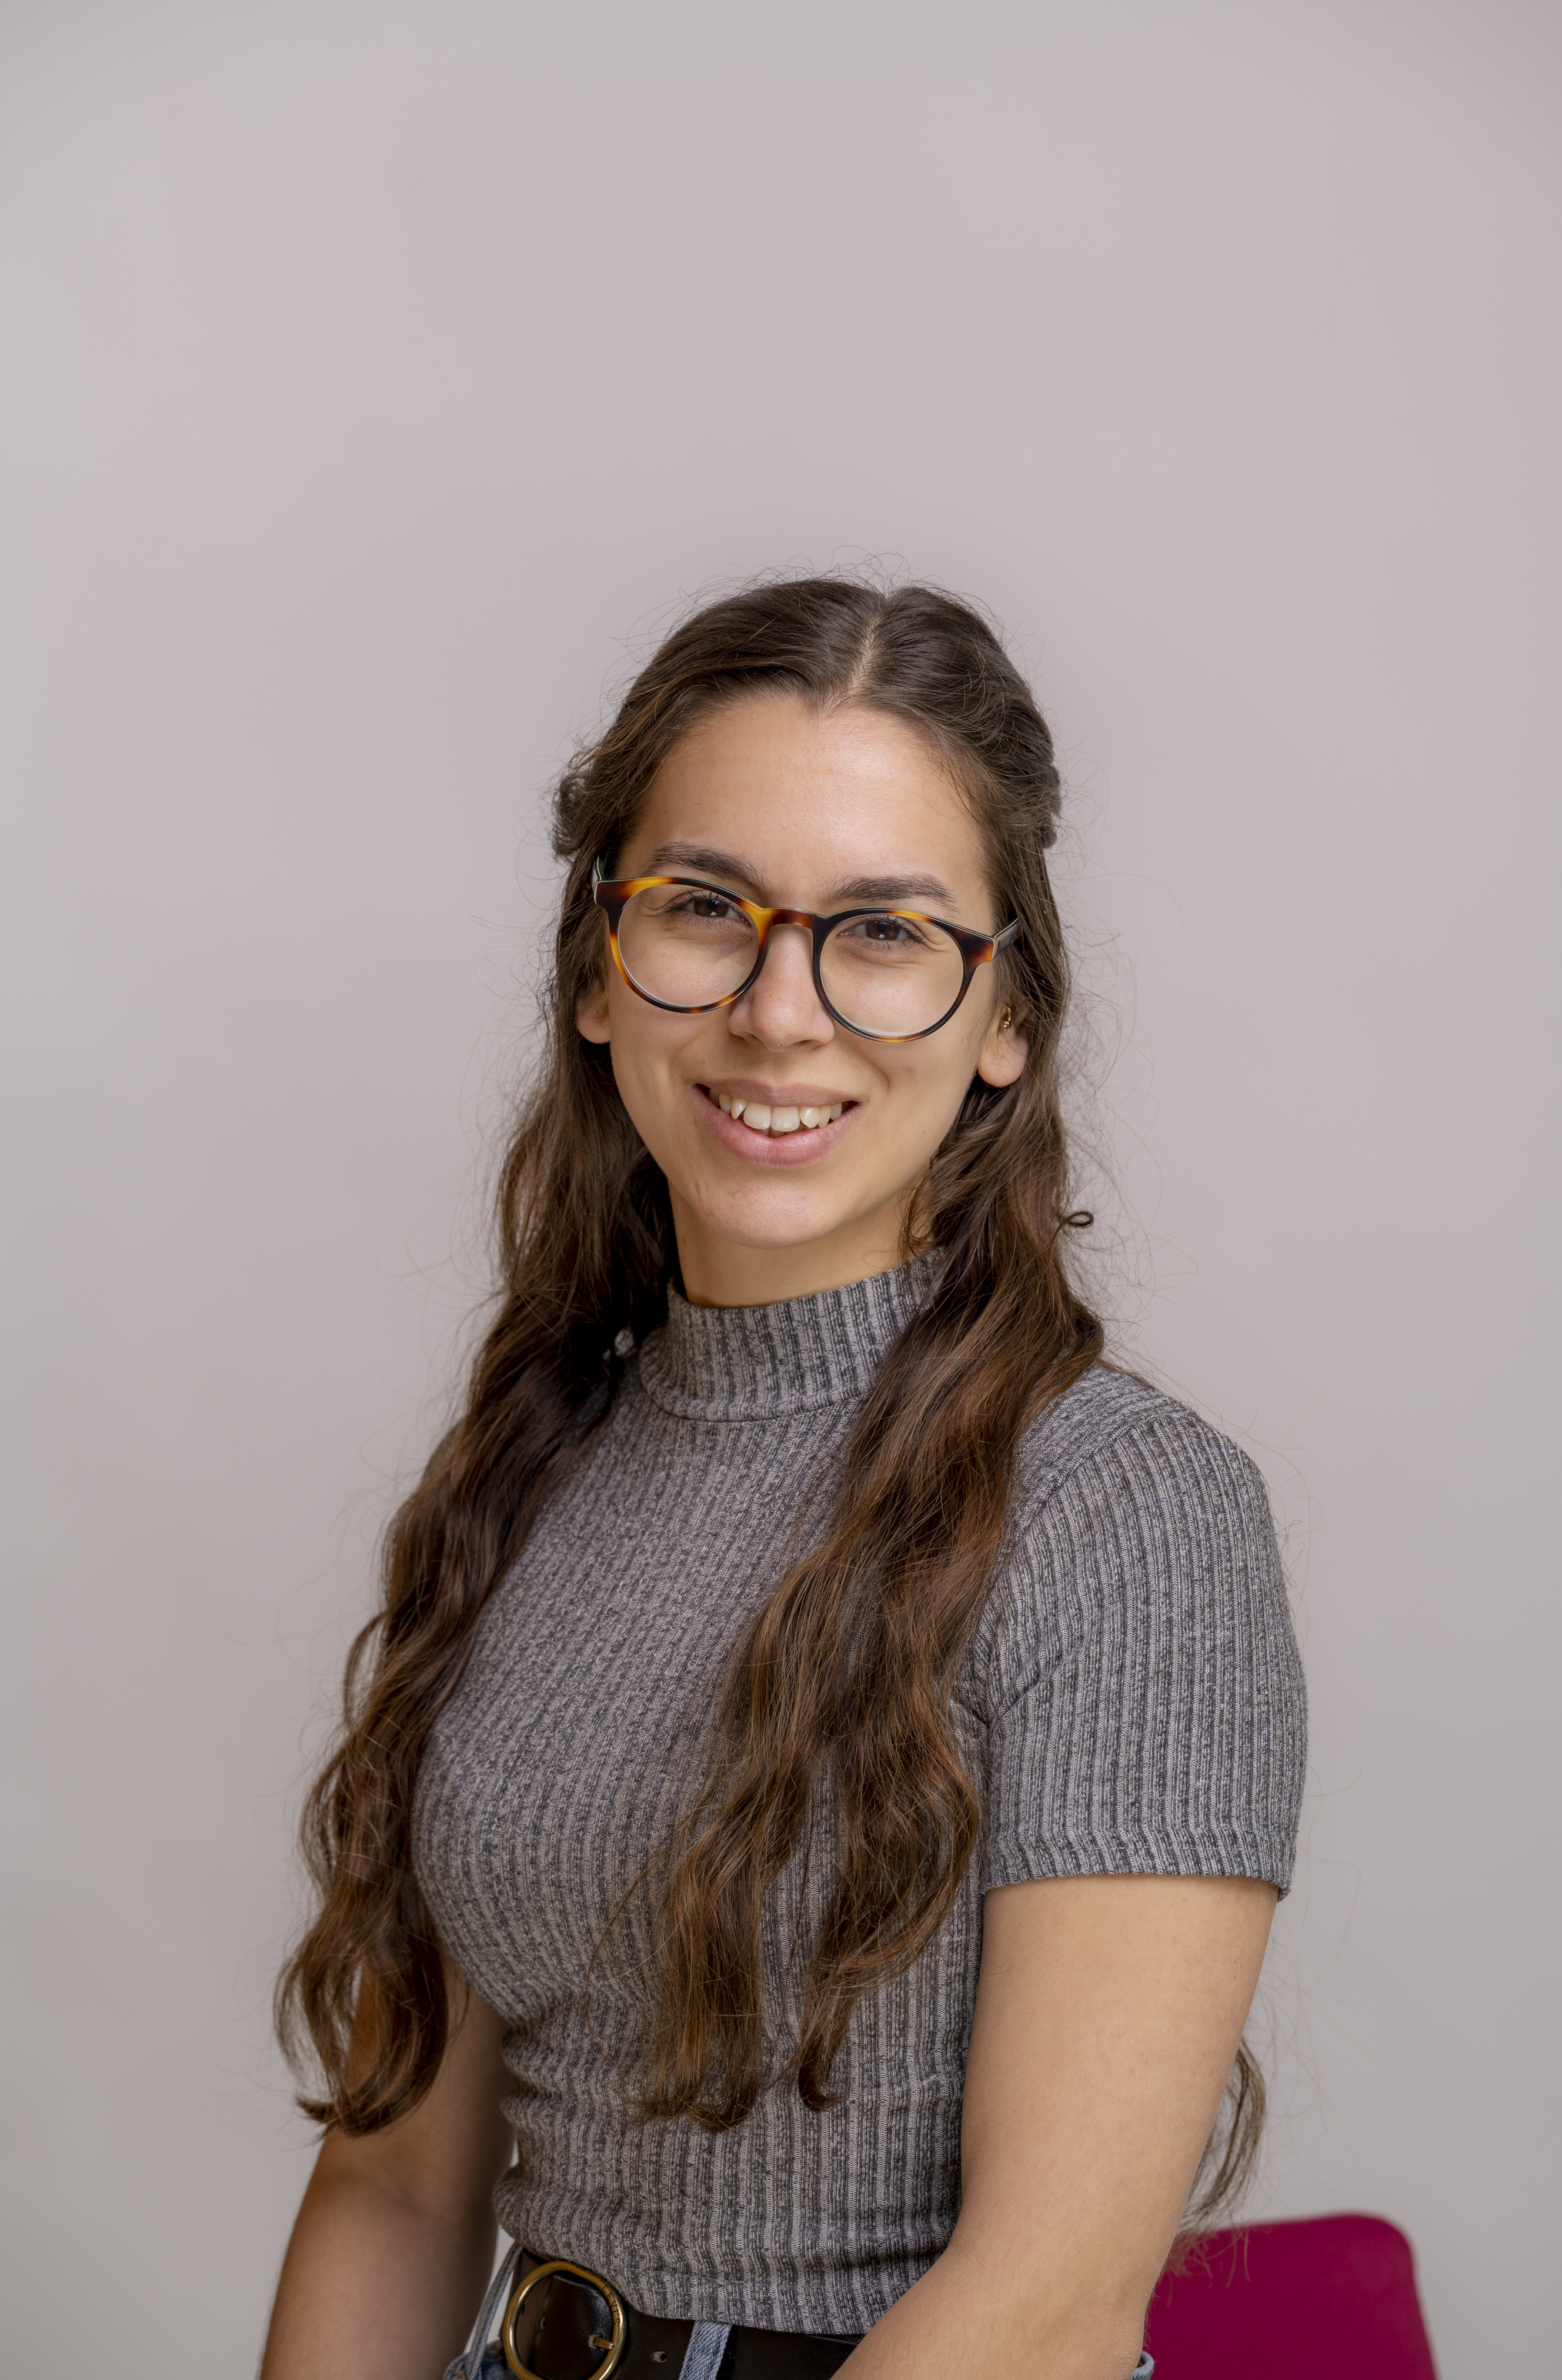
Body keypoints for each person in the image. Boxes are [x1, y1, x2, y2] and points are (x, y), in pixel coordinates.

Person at [262, 578, 1306, 2380]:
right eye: (702, 909)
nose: (775, 1011)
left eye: (880, 932)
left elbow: (1044, 2310)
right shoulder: (532, 1468)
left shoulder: (1124, 1515)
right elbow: (395, 2192)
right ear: (599, 971)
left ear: (1003, 1016)